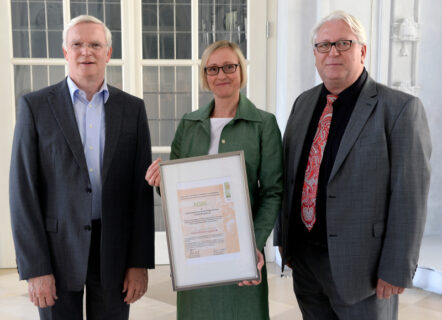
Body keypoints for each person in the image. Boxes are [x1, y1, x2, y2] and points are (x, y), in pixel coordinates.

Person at [274, 11, 431, 320]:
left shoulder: (398, 109)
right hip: (305, 259)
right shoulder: (303, 104)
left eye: (344, 43)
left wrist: (397, 267)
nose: (333, 52)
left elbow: (409, 197)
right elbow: (292, 177)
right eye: (324, 45)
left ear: (363, 51)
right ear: (315, 54)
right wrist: (284, 242)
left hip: (364, 270)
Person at [9, 15, 154, 319]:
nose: (86, 51)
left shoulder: (133, 109)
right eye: (77, 44)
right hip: (56, 249)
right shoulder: (34, 107)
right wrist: (36, 268)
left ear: (108, 53)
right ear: (65, 51)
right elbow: (23, 192)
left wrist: (138, 262)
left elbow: (140, 194)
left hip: (113, 248)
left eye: (95, 45)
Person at [145, 40, 283, 319]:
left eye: (229, 67)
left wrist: (254, 245)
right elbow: (176, 194)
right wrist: (161, 182)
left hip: (241, 251)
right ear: (205, 76)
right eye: (213, 69)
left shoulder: (263, 124)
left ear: (241, 72)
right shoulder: (189, 123)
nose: (222, 75)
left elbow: (272, 192)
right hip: (196, 254)